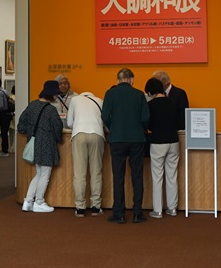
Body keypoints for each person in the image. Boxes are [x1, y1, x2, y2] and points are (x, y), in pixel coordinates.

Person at [102, 68, 150, 224]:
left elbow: (104, 116)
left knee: (118, 176)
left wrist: (114, 127)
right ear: (132, 79)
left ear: (117, 80)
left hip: (117, 139)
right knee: (137, 176)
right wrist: (140, 128)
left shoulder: (110, 94)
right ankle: (137, 213)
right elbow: (145, 117)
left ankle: (119, 213)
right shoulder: (139, 95)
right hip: (137, 139)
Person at [17, 80, 64, 213]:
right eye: (55, 94)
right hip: (47, 144)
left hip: (34, 143)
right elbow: (57, 127)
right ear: (51, 94)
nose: (56, 96)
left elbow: (21, 125)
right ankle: (39, 202)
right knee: (45, 174)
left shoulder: (32, 105)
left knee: (39, 173)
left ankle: (28, 201)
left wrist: (30, 133)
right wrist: (59, 139)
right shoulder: (51, 110)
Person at [144, 77, 180, 218]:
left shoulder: (150, 105)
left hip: (158, 142)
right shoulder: (172, 102)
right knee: (172, 175)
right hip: (174, 141)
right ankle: (172, 208)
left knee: (157, 176)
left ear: (150, 92)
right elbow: (178, 122)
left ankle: (158, 210)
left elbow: (148, 125)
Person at [66, 91, 105, 217]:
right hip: (97, 134)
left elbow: (69, 123)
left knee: (79, 174)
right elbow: (104, 121)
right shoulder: (100, 101)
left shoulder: (74, 100)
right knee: (96, 172)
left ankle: (80, 208)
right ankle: (96, 207)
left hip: (79, 134)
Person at [0, 78, 13, 157]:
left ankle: (4, 151)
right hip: (8, 114)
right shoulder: (5, 91)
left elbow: (1, 106)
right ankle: (5, 149)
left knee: (3, 133)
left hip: (4, 114)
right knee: (5, 132)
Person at [7, 85, 16, 153]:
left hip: (11, 116)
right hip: (16, 116)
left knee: (11, 133)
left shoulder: (11, 98)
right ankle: (14, 147)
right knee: (16, 132)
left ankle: (12, 148)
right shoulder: (20, 97)